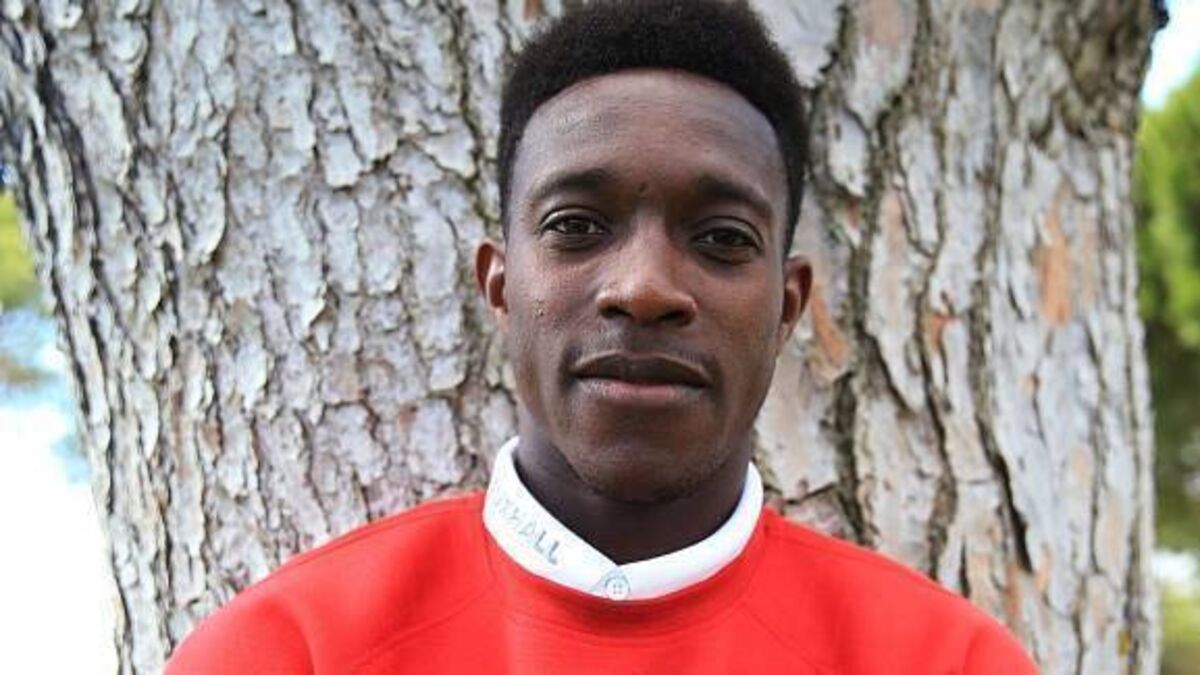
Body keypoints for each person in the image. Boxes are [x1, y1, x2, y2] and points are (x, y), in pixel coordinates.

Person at [167, 1, 1037, 672]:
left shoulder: (945, 659)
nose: (645, 288)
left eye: (722, 237)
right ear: (500, 285)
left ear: (786, 305)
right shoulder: (288, 650)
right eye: (578, 226)